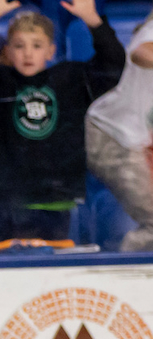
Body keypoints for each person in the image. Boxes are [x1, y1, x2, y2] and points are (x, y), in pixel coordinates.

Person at [0, 0, 125, 249]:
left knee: (52, 277)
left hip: (54, 201)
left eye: (36, 46)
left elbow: (113, 62)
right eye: (19, 46)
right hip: (5, 202)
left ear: (50, 51)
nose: (27, 53)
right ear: (9, 51)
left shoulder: (70, 79)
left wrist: (92, 19)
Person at [85, 8, 153, 252]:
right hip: (110, 135)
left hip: (137, 140)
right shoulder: (150, 30)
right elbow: (141, 53)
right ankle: (123, 278)